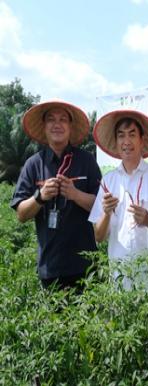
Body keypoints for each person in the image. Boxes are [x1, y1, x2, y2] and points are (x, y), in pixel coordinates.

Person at [11, 100, 101, 291]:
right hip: (50, 266)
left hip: (85, 266)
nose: (57, 124)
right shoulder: (33, 164)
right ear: (44, 127)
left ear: (70, 126)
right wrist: (40, 197)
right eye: (51, 120)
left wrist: (75, 194)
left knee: (89, 320)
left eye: (63, 120)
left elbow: (101, 207)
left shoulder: (87, 161)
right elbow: (21, 214)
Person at [89, 110, 148, 290]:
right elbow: (98, 237)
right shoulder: (108, 181)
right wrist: (107, 213)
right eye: (121, 136)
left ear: (142, 139)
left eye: (132, 134)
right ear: (116, 142)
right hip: (119, 280)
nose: (126, 141)